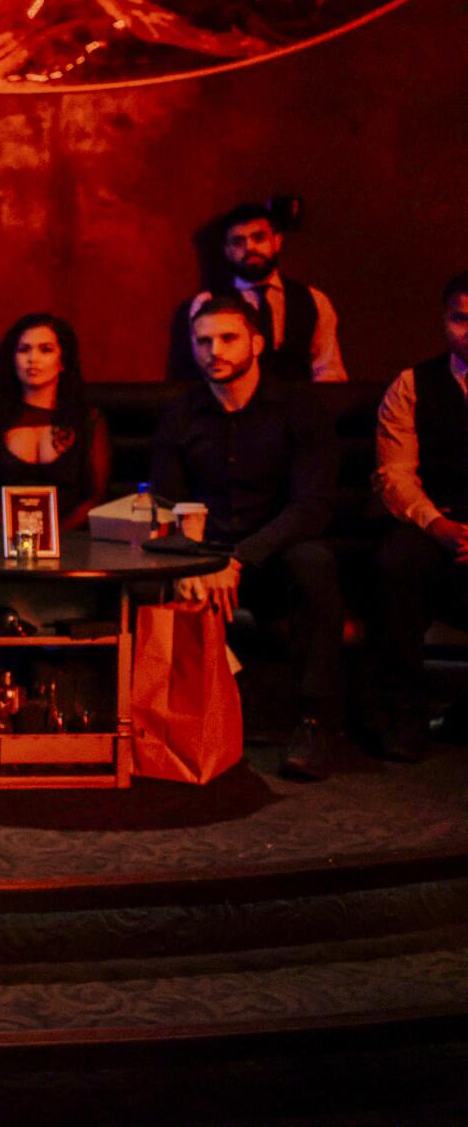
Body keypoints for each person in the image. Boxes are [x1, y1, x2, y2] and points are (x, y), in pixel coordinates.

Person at [151, 292, 343, 780]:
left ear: (257, 343)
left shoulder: (299, 407)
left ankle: (315, 721)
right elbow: (168, 503)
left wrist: (239, 558)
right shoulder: (181, 412)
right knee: (146, 568)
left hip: (272, 553)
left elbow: (312, 505)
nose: (214, 350)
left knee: (313, 562)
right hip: (204, 554)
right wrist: (194, 561)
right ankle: (156, 727)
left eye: (228, 338)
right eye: (203, 341)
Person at [368, 270, 468, 762]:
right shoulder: (411, 385)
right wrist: (437, 525)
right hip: (436, 521)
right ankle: (402, 713)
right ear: (444, 321)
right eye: (460, 319)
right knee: (395, 562)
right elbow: (396, 474)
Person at [167, 199, 346, 383]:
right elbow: (198, 374)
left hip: (298, 407)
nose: (250, 248)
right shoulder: (207, 302)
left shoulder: (314, 300)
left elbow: (329, 370)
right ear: (227, 251)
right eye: (238, 242)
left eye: (259, 238)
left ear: (276, 241)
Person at [0, 313, 111, 531]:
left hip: (74, 545)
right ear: (12, 359)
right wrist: (12, 539)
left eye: (45, 350)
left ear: (62, 361)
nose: (32, 359)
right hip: (5, 545)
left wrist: (54, 540)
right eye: (23, 350)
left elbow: (95, 498)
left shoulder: (87, 420)